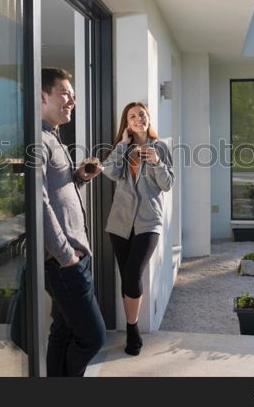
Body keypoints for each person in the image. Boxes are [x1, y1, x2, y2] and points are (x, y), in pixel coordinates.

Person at [41, 67, 105, 376]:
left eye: (73, 96)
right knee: (93, 337)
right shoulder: (39, 140)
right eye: (65, 93)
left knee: (63, 332)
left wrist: (80, 177)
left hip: (72, 256)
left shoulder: (54, 138)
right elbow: (38, 203)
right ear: (43, 96)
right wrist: (66, 255)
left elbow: (57, 192)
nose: (72, 101)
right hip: (66, 261)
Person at [102, 102, 174, 355]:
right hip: (120, 223)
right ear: (127, 122)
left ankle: (132, 326)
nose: (137, 119)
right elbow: (109, 172)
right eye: (132, 116)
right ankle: (132, 328)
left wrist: (156, 162)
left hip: (148, 221)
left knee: (133, 274)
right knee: (127, 277)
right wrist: (121, 146)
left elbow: (167, 185)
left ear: (148, 117)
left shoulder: (160, 148)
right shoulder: (123, 148)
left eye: (141, 115)